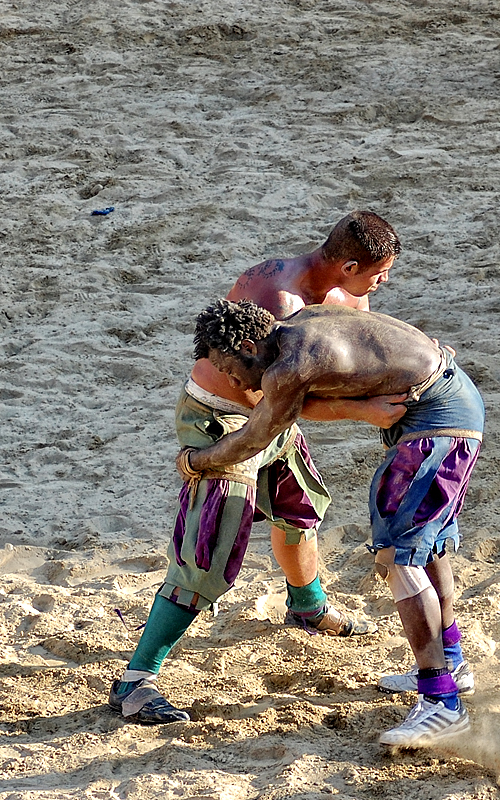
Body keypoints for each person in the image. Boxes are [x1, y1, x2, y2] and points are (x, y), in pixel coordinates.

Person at [109, 210, 406, 725]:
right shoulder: (276, 298)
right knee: (209, 553)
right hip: (224, 421)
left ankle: (307, 607)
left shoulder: (352, 294)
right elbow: (281, 395)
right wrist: (363, 410)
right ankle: (135, 682)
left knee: (301, 510)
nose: (384, 281)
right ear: (351, 264)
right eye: (379, 272)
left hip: (274, 418)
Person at [177, 299, 484, 746]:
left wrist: (195, 461)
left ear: (247, 344)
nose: (232, 381)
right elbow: (307, 402)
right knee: (425, 543)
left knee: (399, 556)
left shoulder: (287, 369)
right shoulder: (297, 328)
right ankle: (452, 664)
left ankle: (441, 702)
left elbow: (258, 433)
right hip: (452, 405)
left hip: (438, 426)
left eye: (229, 368)